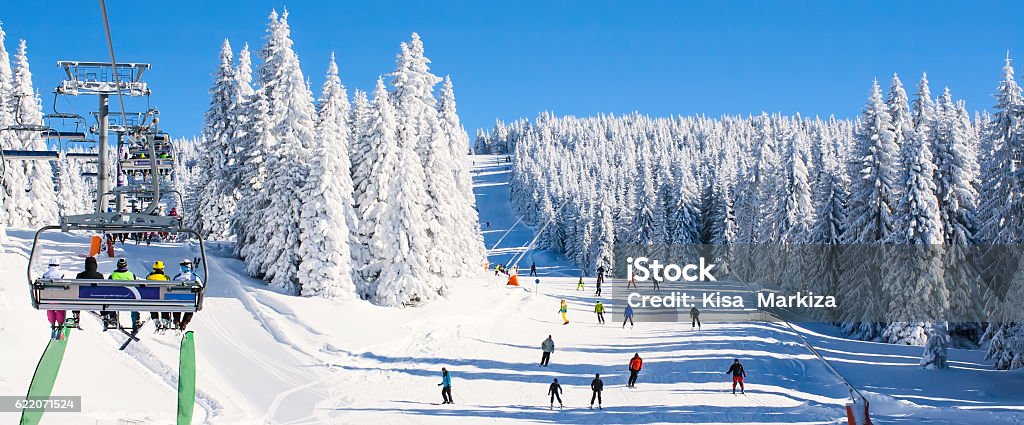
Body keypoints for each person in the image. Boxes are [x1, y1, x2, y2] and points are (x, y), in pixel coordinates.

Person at [109, 258, 141, 332]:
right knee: (135, 304)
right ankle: (135, 322)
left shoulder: (113, 275)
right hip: (130, 298)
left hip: (116, 299)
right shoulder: (131, 275)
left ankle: (113, 316)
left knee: (110, 299)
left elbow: (109, 288)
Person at [172, 259, 202, 330]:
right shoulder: (194, 277)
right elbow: (201, 287)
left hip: (177, 301)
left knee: (176, 307)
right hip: (190, 302)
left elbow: (171, 288)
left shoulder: (177, 278)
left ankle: (177, 321)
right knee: (190, 309)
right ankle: (184, 323)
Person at [76, 256, 104, 329]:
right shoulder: (100, 276)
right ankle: (105, 315)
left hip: (82, 300)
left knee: (75, 295)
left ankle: (76, 315)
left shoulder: (80, 275)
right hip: (97, 300)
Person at [42, 258, 66, 339]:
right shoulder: (61, 274)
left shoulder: (45, 275)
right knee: (59, 309)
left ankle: (52, 324)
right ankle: (60, 324)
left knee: (50, 309)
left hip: (48, 298)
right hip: (58, 297)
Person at [146, 261, 170, 328]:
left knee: (152, 301)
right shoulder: (166, 278)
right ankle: (165, 319)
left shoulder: (149, 278)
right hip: (163, 300)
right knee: (165, 301)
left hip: (152, 300)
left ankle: (155, 318)